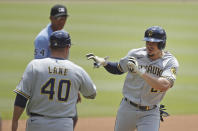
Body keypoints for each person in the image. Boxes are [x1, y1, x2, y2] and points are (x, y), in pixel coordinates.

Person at [86, 26, 179, 131]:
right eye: (147, 41)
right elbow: (118, 69)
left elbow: (164, 85)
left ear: (162, 43)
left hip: (150, 113)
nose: (149, 45)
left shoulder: (170, 62)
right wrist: (104, 63)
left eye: (153, 42)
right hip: (127, 108)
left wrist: (140, 71)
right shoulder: (135, 54)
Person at [12, 30, 97, 131]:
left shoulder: (34, 66)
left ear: (49, 46)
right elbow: (91, 94)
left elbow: (21, 98)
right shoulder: (77, 71)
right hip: (63, 125)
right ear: (68, 47)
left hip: (37, 124)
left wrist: (14, 122)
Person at [34, 4, 80, 128]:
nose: (62, 21)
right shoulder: (42, 38)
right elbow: (39, 66)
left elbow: (65, 62)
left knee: (72, 116)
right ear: (51, 18)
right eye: (59, 18)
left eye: (64, 18)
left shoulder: (64, 35)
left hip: (61, 80)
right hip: (48, 83)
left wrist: (74, 87)